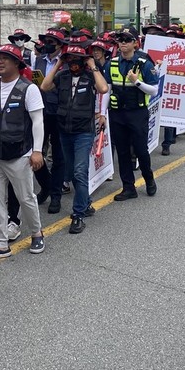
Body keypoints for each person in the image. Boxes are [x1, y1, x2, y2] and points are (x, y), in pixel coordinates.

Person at [0, 44, 46, 258]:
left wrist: (38, 151)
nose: (0, 62)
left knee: (26, 198)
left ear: (17, 63)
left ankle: (37, 233)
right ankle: (1, 243)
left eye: (5, 58)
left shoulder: (29, 88)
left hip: (20, 155)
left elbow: (38, 121)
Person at [40, 44, 108, 235]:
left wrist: (92, 65)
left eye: (77, 59)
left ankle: (78, 214)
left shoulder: (89, 76)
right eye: (70, 59)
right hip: (64, 131)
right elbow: (44, 86)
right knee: (70, 172)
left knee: (79, 171)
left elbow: (103, 88)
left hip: (83, 132)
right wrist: (59, 63)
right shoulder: (62, 76)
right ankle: (85, 203)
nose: (73, 63)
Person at [106, 26, 159, 200]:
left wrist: (137, 82)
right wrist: (101, 113)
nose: (122, 43)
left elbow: (154, 90)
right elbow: (107, 89)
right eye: (120, 39)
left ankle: (149, 179)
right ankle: (128, 187)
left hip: (137, 113)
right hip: (117, 113)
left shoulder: (144, 63)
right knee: (122, 151)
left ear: (135, 43)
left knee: (140, 150)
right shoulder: (112, 63)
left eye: (127, 40)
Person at [32, 29, 65, 208]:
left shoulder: (65, 62)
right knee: (35, 152)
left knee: (59, 156)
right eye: (45, 40)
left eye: (51, 41)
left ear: (59, 45)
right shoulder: (38, 60)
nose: (47, 44)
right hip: (41, 112)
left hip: (60, 112)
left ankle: (56, 195)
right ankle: (46, 186)